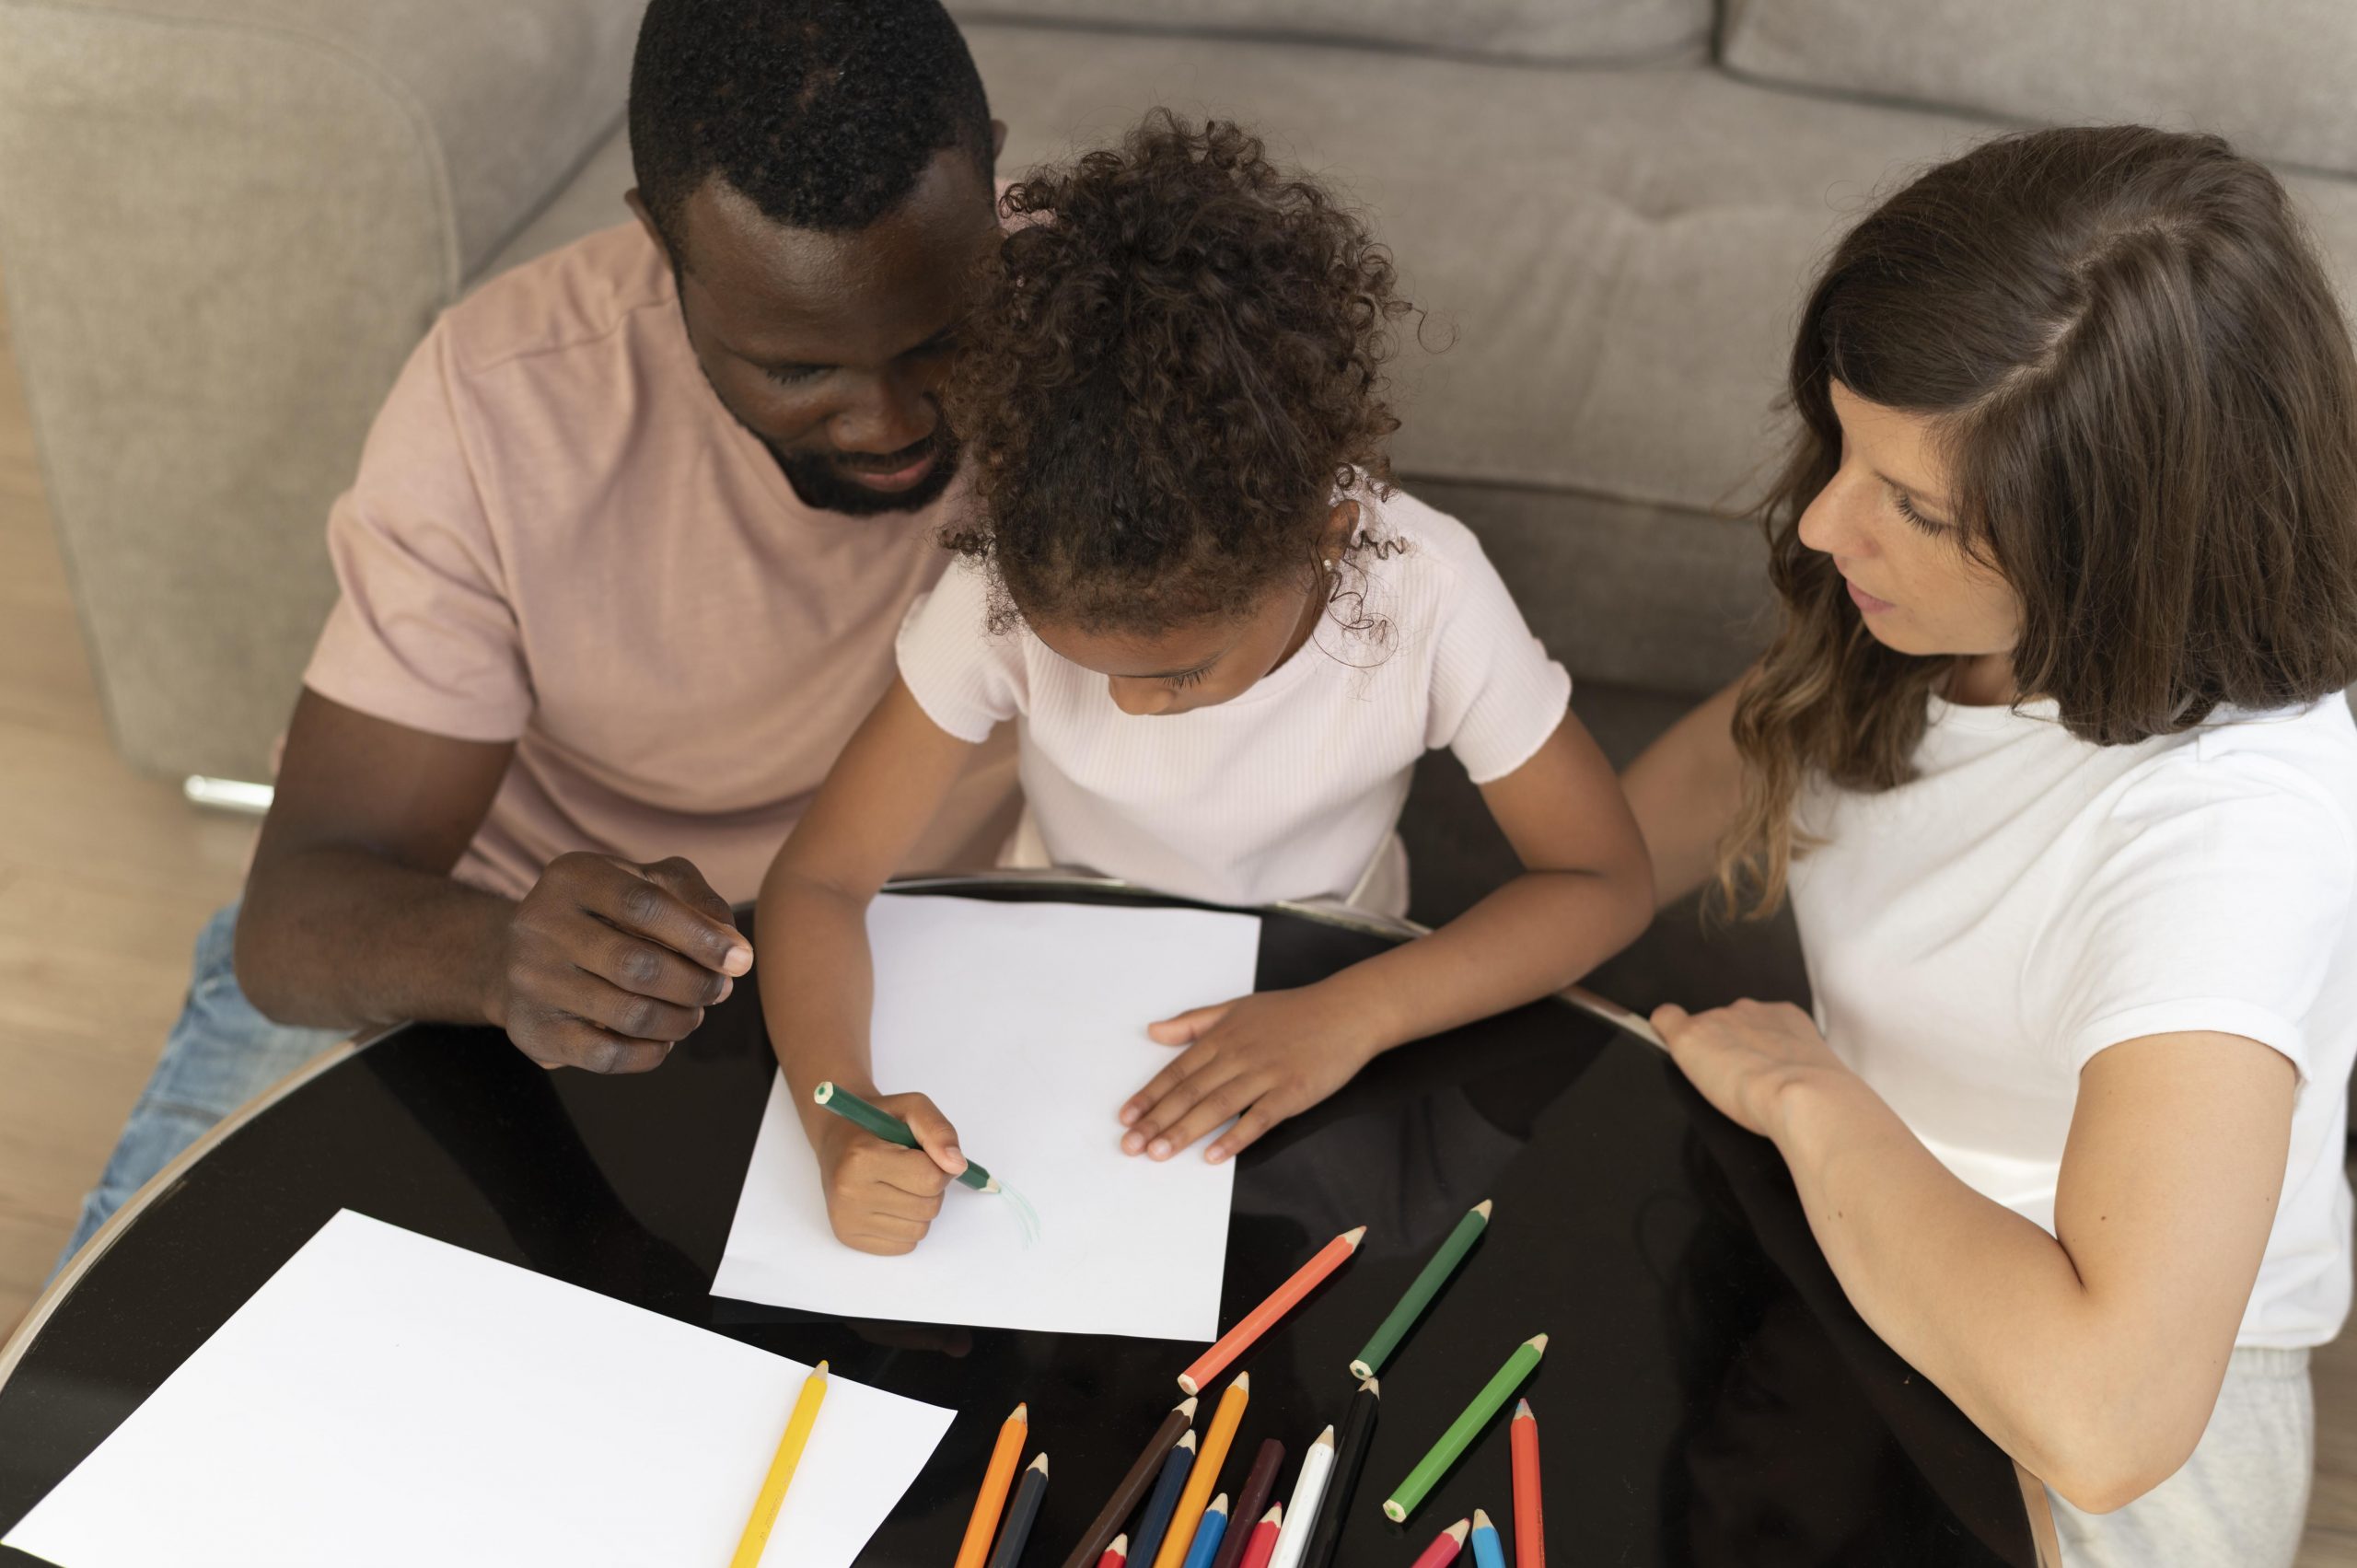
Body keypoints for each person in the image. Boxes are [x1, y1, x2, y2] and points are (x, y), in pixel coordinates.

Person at [54, 0, 1018, 1268]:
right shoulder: (503, 398)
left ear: (995, 180)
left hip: (913, 963)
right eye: (795, 367)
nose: (888, 418)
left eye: (938, 338)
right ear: (659, 247)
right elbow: (293, 919)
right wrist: (506, 955)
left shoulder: (1112, 329)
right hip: (510, 973)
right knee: (126, 1395)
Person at [1622, 126, 2357, 1566]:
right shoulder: (1935, 625)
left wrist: (1819, 1100)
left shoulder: (2233, 831)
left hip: (2098, 1427)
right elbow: (1626, 841)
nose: (1828, 520)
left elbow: (2109, 1412)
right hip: (1852, 1249)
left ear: (2121, 544)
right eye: (1845, 445)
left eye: (1913, 505)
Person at [758, 114, 1655, 1257]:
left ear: (1324, 535)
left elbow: (1602, 877)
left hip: (1331, 984)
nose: (1129, 708)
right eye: (1083, 666)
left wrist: (1354, 1012)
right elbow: (822, 880)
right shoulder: (994, 595)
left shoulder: (1423, 596)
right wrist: (843, 1118)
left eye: (1179, 673)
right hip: (1059, 980)